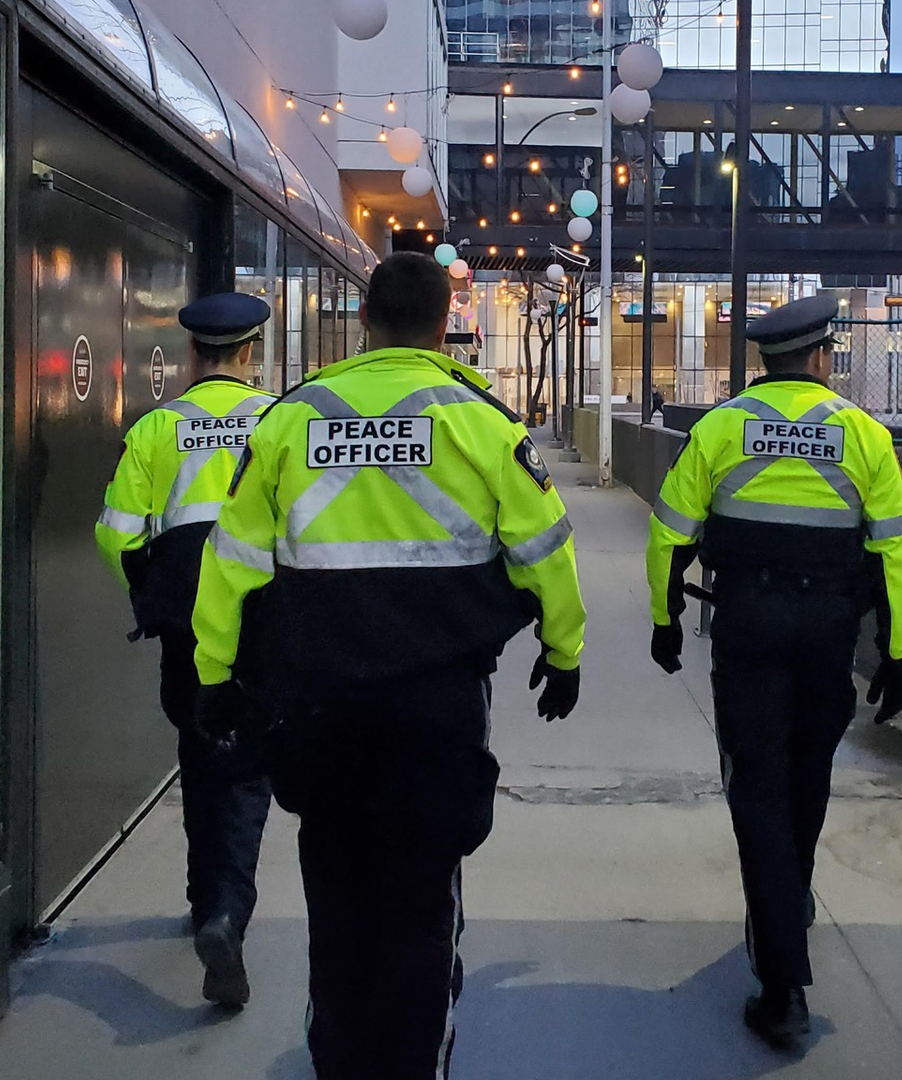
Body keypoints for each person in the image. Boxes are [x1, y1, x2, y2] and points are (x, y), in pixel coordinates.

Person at [192, 252, 587, 1079]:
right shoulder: (479, 420)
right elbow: (547, 550)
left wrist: (216, 676)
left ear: (365, 319)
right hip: (434, 708)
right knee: (421, 901)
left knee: (334, 899)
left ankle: (339, 1059)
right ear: (446, 323)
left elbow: (229, 562)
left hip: (316, 708)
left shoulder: (291, 421)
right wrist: (564, 652)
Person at [645, 292, 902, 1052]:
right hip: (829, 634)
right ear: (824, 356)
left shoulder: (721, 429)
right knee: (805, 782)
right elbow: (896, 551)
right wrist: (898, 655)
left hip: (749, 630)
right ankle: (784, 915)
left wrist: (665, 617)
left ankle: (781, 984)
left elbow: (670, 532)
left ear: (766, 359)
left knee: (757, 789)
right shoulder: (864, 435)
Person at [95, 292, 276, 1007]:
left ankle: (207, 903)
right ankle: (226, 912)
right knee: (243, 767)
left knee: (202, 753)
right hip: (259, 623)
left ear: (195, 355)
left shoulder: (155, 430)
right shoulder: (278, 422)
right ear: (250, 352)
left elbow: (116, 534)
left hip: (187, 626)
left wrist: (156, 596)